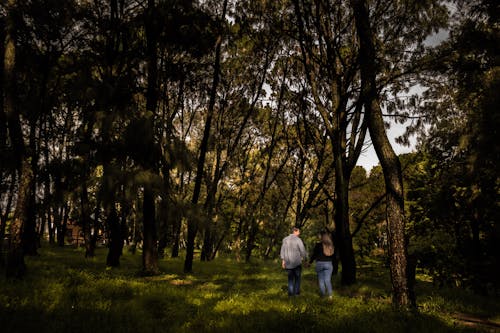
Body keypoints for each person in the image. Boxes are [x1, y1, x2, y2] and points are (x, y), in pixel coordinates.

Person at [280, 226, 307, 296]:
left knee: (290, 279)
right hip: (297, 262)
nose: (299, 233)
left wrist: (283, 261)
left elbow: (282, 250)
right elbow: (303, 250)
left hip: (288, 263)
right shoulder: (298, 240)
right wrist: (304, 259)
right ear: (295, 231)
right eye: (299, 231)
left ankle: (290, 294)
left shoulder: (285, 239)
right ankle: (296, 293)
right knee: (297, 278)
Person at [309, 230, 334, 298]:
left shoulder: (318, 245)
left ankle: (323, 295)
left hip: (319, 263)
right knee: (328, 280)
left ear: (321, 236)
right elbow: (334, 256)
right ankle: (330, 296)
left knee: (321, 280)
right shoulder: (330, 245)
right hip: (329, 264)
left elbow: (314, 255)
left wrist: (310, 262)